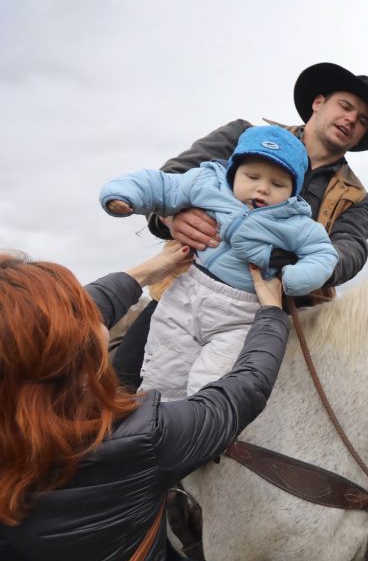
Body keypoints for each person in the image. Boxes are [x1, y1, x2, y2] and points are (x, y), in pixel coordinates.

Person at [0, 245, 289, 561]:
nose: (101, 320)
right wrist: (272, 313)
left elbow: (26, 334)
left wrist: (150, 271)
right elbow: (243, 389)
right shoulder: (134, 442)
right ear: (77, 348)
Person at [113, 61, 368, 389]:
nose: (351, 119)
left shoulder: (357, 197)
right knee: (121, 389)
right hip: (186, 293)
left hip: (276, 320)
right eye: (345, 106)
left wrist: (304, 266)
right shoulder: (240, 136)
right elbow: (172, 178)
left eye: (362, 120)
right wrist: (171, 218)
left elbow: (352, 248)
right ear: (318, 103)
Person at [101, 126, 337, 399]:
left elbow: (323, 253)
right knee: (160, 377)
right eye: (252, 176)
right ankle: (153, 426)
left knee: (211, 386)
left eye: (278, 184)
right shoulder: (208, 183)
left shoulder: (295, 221)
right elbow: (164, 185)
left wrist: (293, 277)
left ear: (293, 191)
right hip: (187, 295)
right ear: (233, 171)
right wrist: (123, 194)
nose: (262, 187)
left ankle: (200, 433)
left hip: (240, 314)